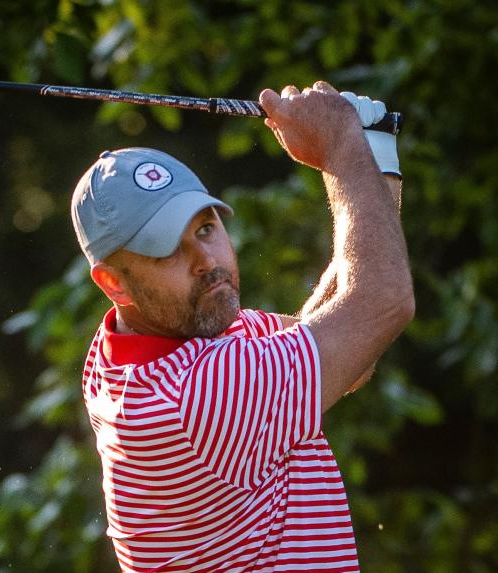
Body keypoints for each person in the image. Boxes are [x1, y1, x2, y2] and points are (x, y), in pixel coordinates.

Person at [70, 81, 413, 572]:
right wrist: (340, 144)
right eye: (167, 250)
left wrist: (371, 157)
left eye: (205, 229)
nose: (205, 261)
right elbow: (382, 302)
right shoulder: (196, 396)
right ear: (113, 283)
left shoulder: (127, 355)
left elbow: (347, 346)